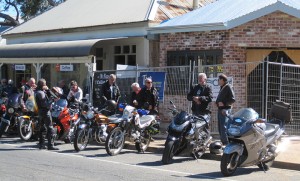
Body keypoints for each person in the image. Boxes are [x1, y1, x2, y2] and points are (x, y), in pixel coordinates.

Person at [35, 78, 58, 150]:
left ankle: (41, 144)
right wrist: (51, 100)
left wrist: (48, 91)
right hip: (45, 111)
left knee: (43, 128)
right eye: (45, 84)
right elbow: (46, 104)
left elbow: (53, 96)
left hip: (40, 112)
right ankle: (50, 145)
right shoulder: (41, 93)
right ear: (43, 85)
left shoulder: (38, 91)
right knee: (50, 128)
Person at [216, 74, 235, 146]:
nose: (218, 81)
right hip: (220, 109)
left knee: (224, 126)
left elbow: (232, 99)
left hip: (225, 110)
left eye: (219, 79)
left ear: (222, 80)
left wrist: (224, 103)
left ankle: (226, 142)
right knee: (220, 126)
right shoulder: (222, 87)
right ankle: (223, 141)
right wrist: (217, 103)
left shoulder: (228, 87)